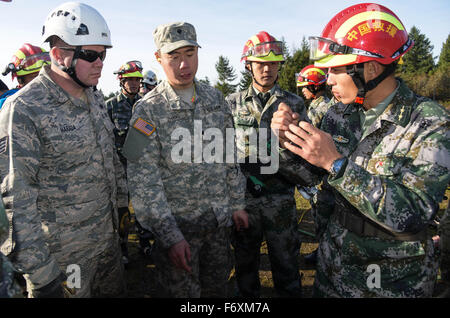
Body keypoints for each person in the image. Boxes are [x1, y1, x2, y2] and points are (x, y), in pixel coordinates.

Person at [271, 2, 450, 297]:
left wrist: (337, 164)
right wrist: (290, 141)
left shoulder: (429, 124)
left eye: (335, 72)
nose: (327, 81)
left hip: (390, 277)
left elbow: (415, 212)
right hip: (333, 264)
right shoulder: (339, 114)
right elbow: (310, 177)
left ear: (370, 68)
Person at [0, 2, 128, 297]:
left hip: (107, 248)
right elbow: (16, 203)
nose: (101, 63)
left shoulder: (93, 98)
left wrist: (122, 205)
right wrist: (43, 277)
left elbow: (109, 157)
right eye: (91, 55)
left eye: (103, 54)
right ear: (59, 55)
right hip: (63, 261)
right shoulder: (24, 109)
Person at [122, 21, 248, 298]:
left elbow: (229, 158)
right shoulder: (147, 110)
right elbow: (143, 181)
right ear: (158, 58)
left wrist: (237, 204)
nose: (183, 65)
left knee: (219, 292)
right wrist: (170, 237)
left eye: (189, 54)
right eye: (174, 57)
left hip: (217, 226)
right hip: (179, 232)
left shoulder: (215, 99)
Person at [226, 31, 304, 297]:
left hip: (280, 198)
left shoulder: (294, 103)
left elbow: (304, 154)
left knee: (286, 265)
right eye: (260, 63)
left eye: (273, 63)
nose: (267, 69)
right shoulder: (232, 104)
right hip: (245, 199)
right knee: (245, 265)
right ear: (249, 65)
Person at [106, 60, 144, 266]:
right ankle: (122, 249)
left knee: (145, 207)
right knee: (122, 212)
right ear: (121, 81)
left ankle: (146, 244)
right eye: (129, 80)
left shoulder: (145, 104)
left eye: (137, 79)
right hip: (119, 168)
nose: (134, 83)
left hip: (141, 166)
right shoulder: (110, 105)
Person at [0, 43, 50, 109]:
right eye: (34, 76)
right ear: (20, 80)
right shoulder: (10, 105)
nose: (42, 79)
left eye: (46, 74)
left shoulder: (58, 94)